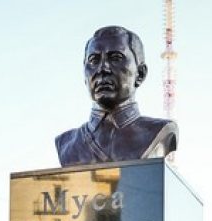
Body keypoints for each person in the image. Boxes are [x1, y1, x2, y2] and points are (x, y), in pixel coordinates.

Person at [55, 25, 178, 167]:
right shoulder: (67, 144)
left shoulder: (159, 132)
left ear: (141, 73)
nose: (102, 68)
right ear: (84, 76)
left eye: (115, 58)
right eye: (94, 60)